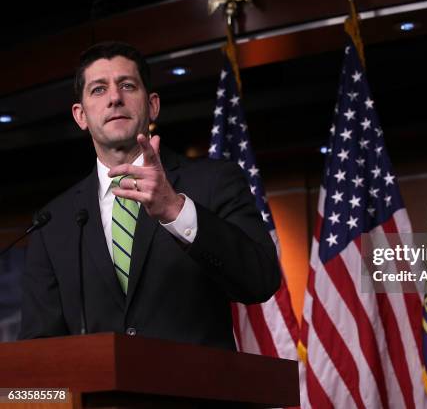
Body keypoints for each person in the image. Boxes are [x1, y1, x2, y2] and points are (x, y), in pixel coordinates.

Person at [18, 42, 280, 349]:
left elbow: (260, 280)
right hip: (99, 397)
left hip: (197, 393)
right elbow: (38, 347)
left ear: (152, 104)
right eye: (98, 90)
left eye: (127, 85)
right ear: (81, 116)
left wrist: (176, 211)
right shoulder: (53, 223)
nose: (115, 98)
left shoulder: (215, 181)